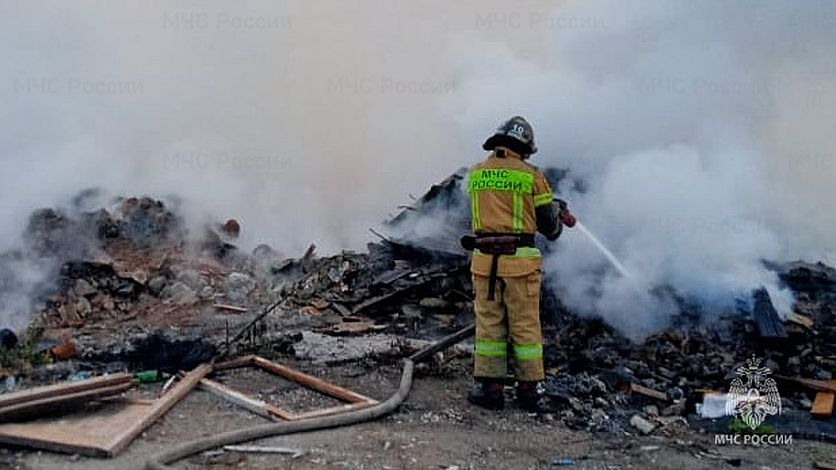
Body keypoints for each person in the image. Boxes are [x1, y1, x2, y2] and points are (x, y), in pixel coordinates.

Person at [464, 116, 568, 412]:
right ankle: (529, 392)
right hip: (520, 264)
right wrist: (558, 215)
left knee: (489, 327)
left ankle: (491, 390)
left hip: (484, 263)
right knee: (524, 327)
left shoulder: (476, 173)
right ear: (524, 147)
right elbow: (549, 227)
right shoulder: (532, 175)